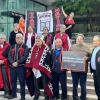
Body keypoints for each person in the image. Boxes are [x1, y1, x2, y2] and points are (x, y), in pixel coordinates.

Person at [25, 35, 53, 100]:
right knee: (36, 83)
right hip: (35, 69)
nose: (37, 42)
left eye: (38, 41)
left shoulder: (46, 48)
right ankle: (37, 94)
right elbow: (30, 58)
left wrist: (40, 66)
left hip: (43, 69)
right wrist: (32, 66)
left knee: (45, 83)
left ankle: (46, 96)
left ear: (42, 41)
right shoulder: (33, 48)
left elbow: (48, 59)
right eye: (36, 41)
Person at [8, 33, 29, 100]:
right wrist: (12, 62)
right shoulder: (12, 46)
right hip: (12, 67)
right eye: (16, 37)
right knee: (13, 81)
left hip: (21, 67)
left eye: (19, 37)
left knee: (22, 82)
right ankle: (14, 94)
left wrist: (17, 62)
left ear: (22, 38)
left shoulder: (25, 46)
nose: (17, 39)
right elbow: (9, 56)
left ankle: (22, 97)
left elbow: (25, 56)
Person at [71, 34, 90, 100]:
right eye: (78, 39)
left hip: (83, 70)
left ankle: (83, 98)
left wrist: (87, 58)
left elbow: (90, 57)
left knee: (83, 85)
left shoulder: (87, 47)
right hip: (74, 70)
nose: (79, 40)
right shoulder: (72, 47)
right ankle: (75, 98)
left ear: (83, 40)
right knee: (74, 85)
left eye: (80, 39)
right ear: (76, 40)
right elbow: (68, 56)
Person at [0, 34, 11, 98]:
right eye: (0, 38)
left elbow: (9, 56)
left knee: (5, 79)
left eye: (1, 38)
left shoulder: (8, 46)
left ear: (4, 39)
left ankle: (7, 92)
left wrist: (3, 61)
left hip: (5, 65)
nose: (0, 39)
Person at [90, 35, 100, 100]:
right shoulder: (94, 49)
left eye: (96, 41)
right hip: (94, 71)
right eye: (93, 41)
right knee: (96, 87)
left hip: (99, 72)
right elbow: (92, 58)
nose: (94, 42)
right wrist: (87, 58)